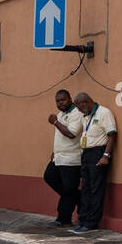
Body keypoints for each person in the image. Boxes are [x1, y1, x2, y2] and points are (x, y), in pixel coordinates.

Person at [69, 91, 118, 235]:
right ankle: (82, 220)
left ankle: (92, 222)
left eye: (78, 107)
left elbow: (112, 135)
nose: (78, 110)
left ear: (85, 102)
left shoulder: (104, 113)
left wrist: (106, 155)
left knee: (96, 189)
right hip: (86, 153)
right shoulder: (86, 116)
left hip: (99, 153)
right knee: (85, 188)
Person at [43, 89, 84, 227]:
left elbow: (71, 133)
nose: (60, 103)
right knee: (49, 177)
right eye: (58, 101)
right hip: (59, 157)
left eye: (63, 100)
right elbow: (60, 135)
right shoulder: (61, 114)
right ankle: (79, 197)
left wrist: (55, 122)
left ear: (70, 99)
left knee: (68, 189)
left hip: (72, 158)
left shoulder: (76, 113)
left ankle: (63, 218)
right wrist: (55, 150)